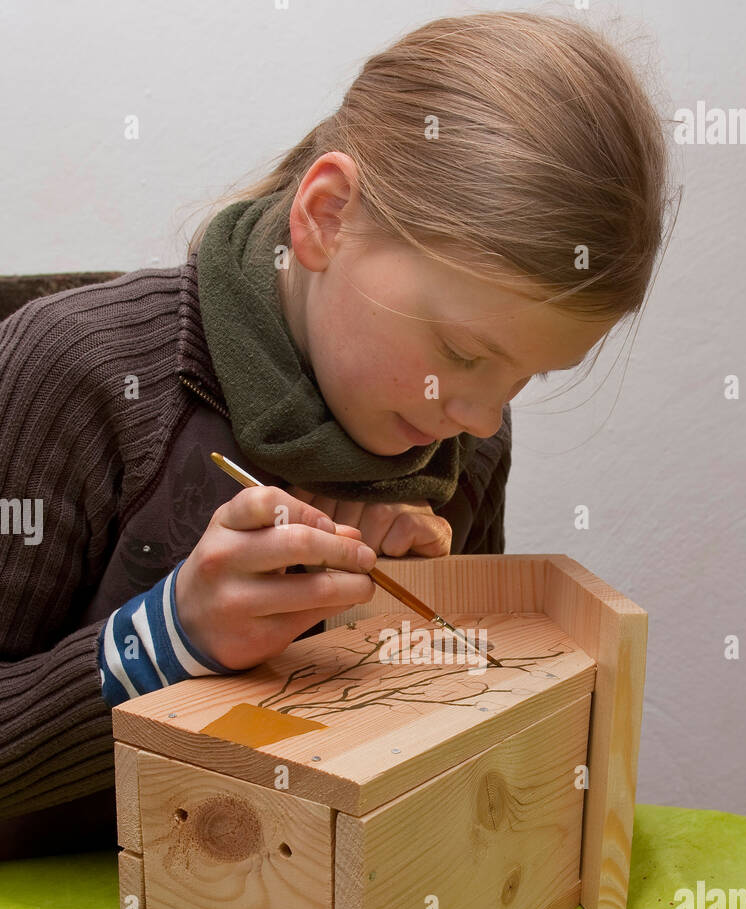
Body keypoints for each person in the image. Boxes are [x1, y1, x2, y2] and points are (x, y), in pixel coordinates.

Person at [0, 11, 671, 856]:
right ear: (325, 217)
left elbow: (426, 752)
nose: (483, 416)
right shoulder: (80, 370)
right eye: (463, 352)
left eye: (526, 376)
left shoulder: (463, 439)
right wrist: (173, 638)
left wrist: (415, 631)